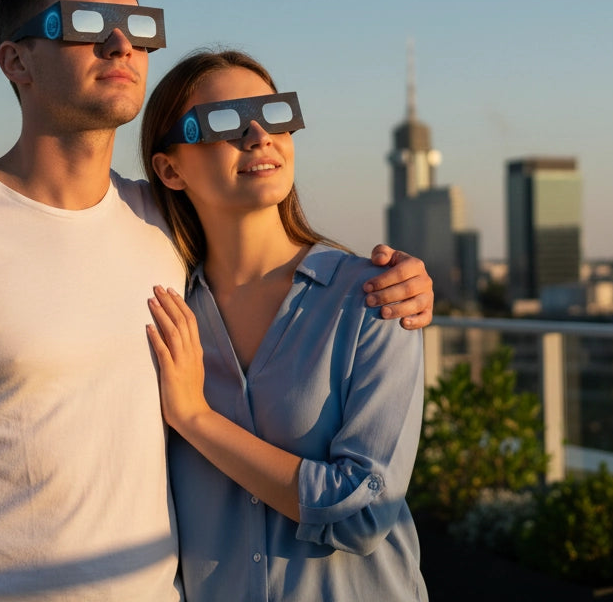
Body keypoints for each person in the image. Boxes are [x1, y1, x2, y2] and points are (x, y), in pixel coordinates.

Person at [0, 0, 434, 602]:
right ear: (15, 59)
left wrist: (406, 280)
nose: (122, 46)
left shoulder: (164, 230)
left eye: (138, 29)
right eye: (86, 25)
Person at [143, 49, 427, 600]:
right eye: (225, 121)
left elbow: (365, 512)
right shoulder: (162, 313)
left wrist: (196, 419)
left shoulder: (375, 297)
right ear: (170, 169)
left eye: (272, 114)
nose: (258, 135)